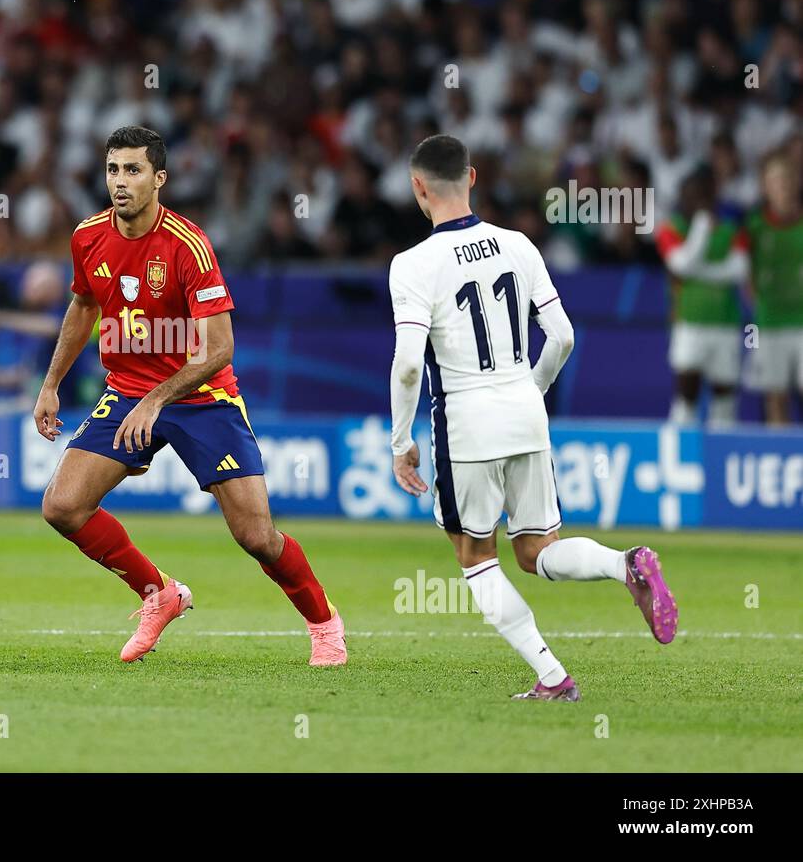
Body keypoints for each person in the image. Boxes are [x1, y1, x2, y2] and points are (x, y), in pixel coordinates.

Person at [34, 126, 346, 666]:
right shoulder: (87, 237)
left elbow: (221, 347)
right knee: (62, 506)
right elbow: (84, 305)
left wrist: (157, 401)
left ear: (159, 178)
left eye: (133, 170)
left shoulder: (187, 246)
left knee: (255, 536)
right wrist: (51, 384)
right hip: (127, 393)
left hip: (202, 397)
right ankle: (160, 593)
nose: (120, 182)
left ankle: (324, 623)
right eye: (112, 169)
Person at [387, 135, 678, 701]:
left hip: (466, 426)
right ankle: (627, 564)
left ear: (417, 188)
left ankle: (553, 676)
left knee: (476, 558)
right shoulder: (518, 244)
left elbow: (405, 366)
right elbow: (564, 335)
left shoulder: (413, 264)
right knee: (537, 551)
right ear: (472, 179)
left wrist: (401, 442)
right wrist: (531, 388)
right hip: (525, 414)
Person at [656, 169, 749, 427]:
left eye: (703, 198)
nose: (697, 204)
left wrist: (698, 273)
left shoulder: (733, 230)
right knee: (686, 397)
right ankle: (679, 459)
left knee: (725, 400)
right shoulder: (668, 229)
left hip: (725, 325)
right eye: (691, 198)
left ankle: (721, 457)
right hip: (688, 323)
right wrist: (701, 228)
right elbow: (682, 264)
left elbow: (739, 270)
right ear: (682, 198)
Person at [744, 148, 803, 425]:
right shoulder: (754, 226)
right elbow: (744, 272)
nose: (782, 188)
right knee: (775, 396)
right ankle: (779, 452)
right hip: (768, 324)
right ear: (766, 187)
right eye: (775, 182)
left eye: (787, 181)